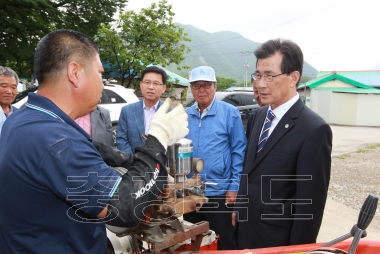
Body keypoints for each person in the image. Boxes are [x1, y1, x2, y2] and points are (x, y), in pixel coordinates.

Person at [0, 29, 188, 253]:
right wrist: (159, 137)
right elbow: (124, 207)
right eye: (100, 73)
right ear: (75, 72)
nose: (103, 83)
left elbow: (90, 149)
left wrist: (134, 161)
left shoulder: (25, 118)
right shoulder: (55, 139)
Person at [233, 38, 332, 249]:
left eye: (269, 76)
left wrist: (298, 250)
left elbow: (310, 208)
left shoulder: (314, 129)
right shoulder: (257, 117)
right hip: (244, 232)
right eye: (258, 75)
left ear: (293, 77)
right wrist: (239, 207)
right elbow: (249, 171)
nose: (260, 84)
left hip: (277, 241)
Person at [184, 66, 247, 250]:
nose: (201, 90)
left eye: (206, 85)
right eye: (196, 86)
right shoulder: (186, 115)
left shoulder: (229, 113)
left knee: (222, 241)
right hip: (190, 192)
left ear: (215, 87)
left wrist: (234, 187)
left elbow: (238, 151)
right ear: (191, 89)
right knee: (193, 241)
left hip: (219, 192)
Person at [116, 66, 167, 154]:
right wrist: (133, 162)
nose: (151, 87)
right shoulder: (127, 111)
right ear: (141, 85)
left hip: (160, 165)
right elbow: (121, 140)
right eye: (147, 82)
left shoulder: (170, 113)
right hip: (132, 164)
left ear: (163, 88)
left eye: (156, 83)